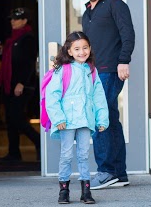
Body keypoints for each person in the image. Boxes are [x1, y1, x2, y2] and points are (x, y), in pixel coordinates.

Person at [79, 0, 135, 190]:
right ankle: (119, 173)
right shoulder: (87, 13)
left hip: (110, 70)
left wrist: (123, 61)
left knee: (99, 119)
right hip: (94, 73)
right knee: (110, 119)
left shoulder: (116, 5)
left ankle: (106, 171)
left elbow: (128, 34)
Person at [45, 31, 109, 204]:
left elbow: (99, 96)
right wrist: (58, 119)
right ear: (69, 51)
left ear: (90, 49)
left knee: (83, 155)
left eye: (85, 48)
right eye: (77, 49)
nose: (82, 52)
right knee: (66, 155)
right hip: (66, 122)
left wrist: (102, 119)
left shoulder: (91, 71)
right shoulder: (63, 70)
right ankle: (64, 191)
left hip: (85, 120)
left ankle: (85, 191)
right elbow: (52, 95)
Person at [0, 7, 40, 162]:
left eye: (16, 19)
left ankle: (39, 142)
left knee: (17, 118)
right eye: (11, 19)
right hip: (10, 84)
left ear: (24, 21)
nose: (12, 21)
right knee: (10, 119)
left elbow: (29, 63)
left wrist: (21, 83)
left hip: (21, 86)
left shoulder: (28, 38)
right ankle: (14, 153)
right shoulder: (12, 39)